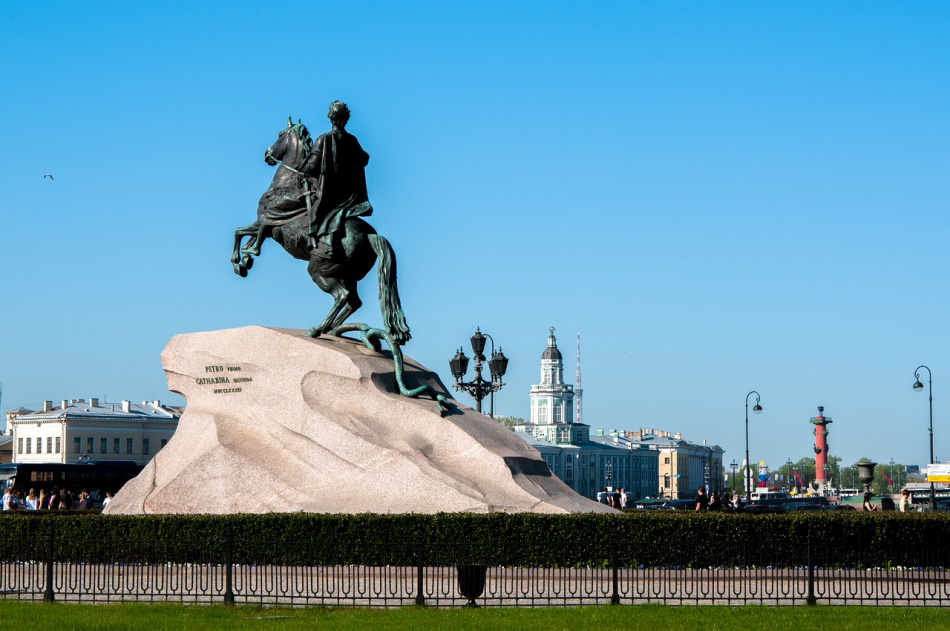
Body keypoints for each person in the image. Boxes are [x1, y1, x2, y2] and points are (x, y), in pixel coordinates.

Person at [303, 100, 373, 260]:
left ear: (330, 117)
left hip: (331, 195)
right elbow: (365, 158)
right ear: (346, 118)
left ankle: (324, 241)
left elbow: (312, 167)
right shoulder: (352, 140)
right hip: (351, 196)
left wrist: (305, 167)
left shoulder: (323, 139)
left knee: (315, 212)